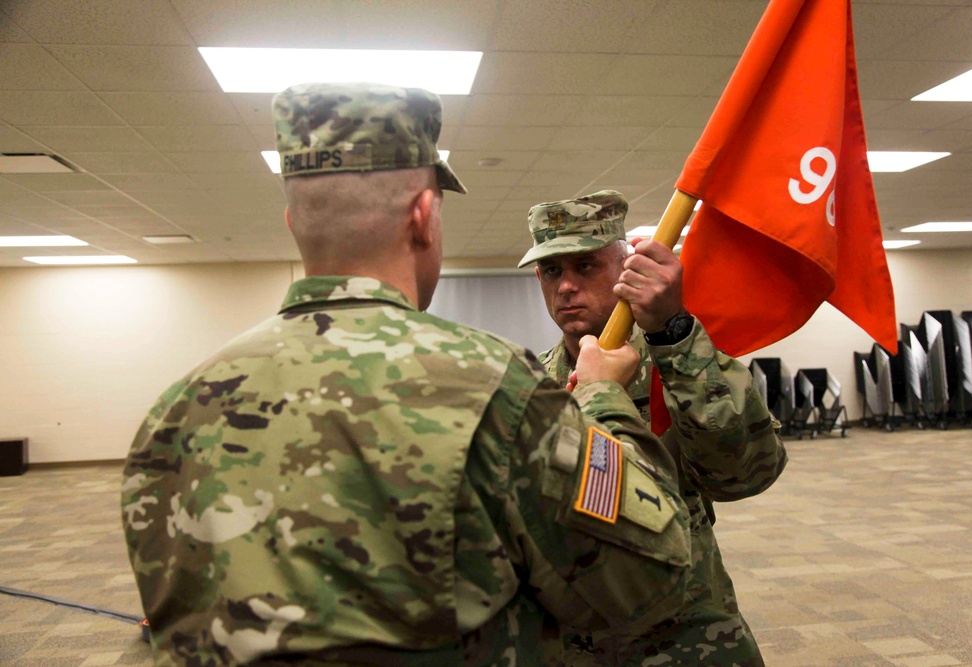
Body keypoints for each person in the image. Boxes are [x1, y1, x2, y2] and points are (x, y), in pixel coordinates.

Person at [121, 84, 694, 666]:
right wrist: (601, 399)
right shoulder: (495, 388)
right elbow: (650, 578)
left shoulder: (177, 409)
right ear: (424, 217)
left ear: (293, 221)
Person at [518, 190, 788, 666]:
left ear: (624, 268)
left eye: (586, 266)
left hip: (687, 642)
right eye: (552, 271)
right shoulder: (531, 386)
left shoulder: (676, 359)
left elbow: (743, 474)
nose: (565, 287)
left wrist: (674, 333)